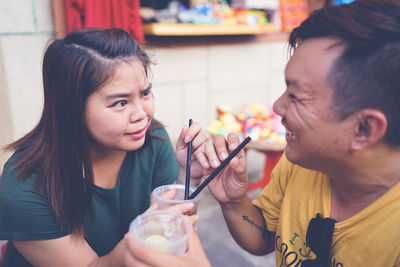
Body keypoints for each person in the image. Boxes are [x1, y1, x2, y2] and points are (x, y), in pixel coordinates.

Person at [124, 0, 400, 266]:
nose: (278, 106)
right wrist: (234, 201)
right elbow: (265, 237)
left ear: (364, 129)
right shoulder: (302, 163)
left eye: (297, 96)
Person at [0, 28, 220, 267]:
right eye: (121, 102)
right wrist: (140, 234)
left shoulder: (152, 138)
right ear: (72, 107)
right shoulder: (24, 186)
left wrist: (188, 177)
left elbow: (169, 230)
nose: (141, 115)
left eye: (145, 93)